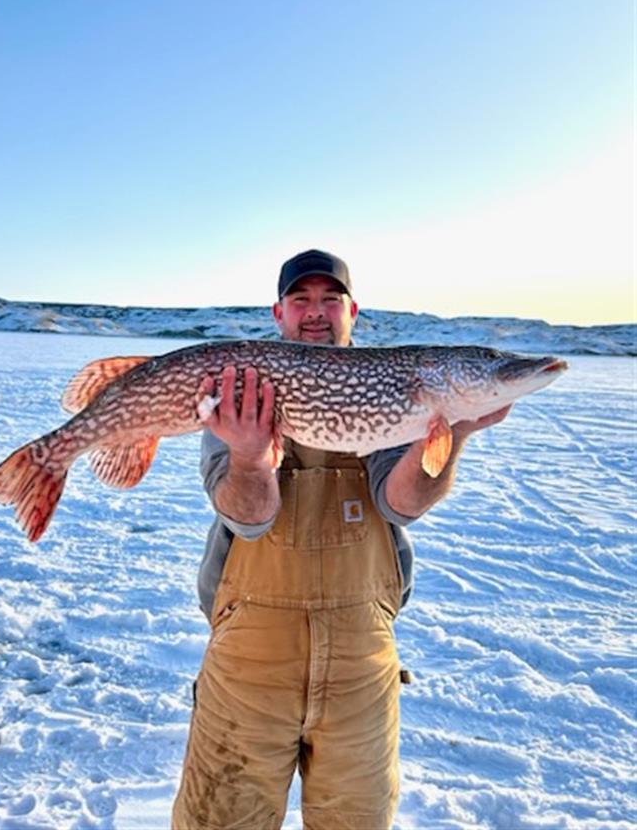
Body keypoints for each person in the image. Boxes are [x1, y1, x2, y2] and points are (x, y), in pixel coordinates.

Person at [171, 249, 510, 830]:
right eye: (301, 299)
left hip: (361, 657)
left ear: (353, 310)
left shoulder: (390, 388)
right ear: (278, 312)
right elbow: (246, 519)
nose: (315, 312)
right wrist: (250, 455)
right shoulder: (241, 386)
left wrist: (450, 434)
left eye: (330, 299)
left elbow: (399, 503)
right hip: (250, 656)